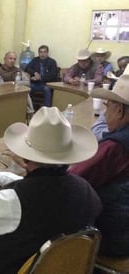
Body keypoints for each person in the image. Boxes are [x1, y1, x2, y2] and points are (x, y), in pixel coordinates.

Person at [0, 107, 102, 274]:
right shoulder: (86, 190)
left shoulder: (17, 201)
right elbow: (38, 187)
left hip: (6, 267)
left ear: (26, 158)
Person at [69, 69, 129, 257]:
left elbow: (71, 180)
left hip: (111, 237)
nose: (105, 111)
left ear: (119, 110)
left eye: (107, 106)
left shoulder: (114, 147)